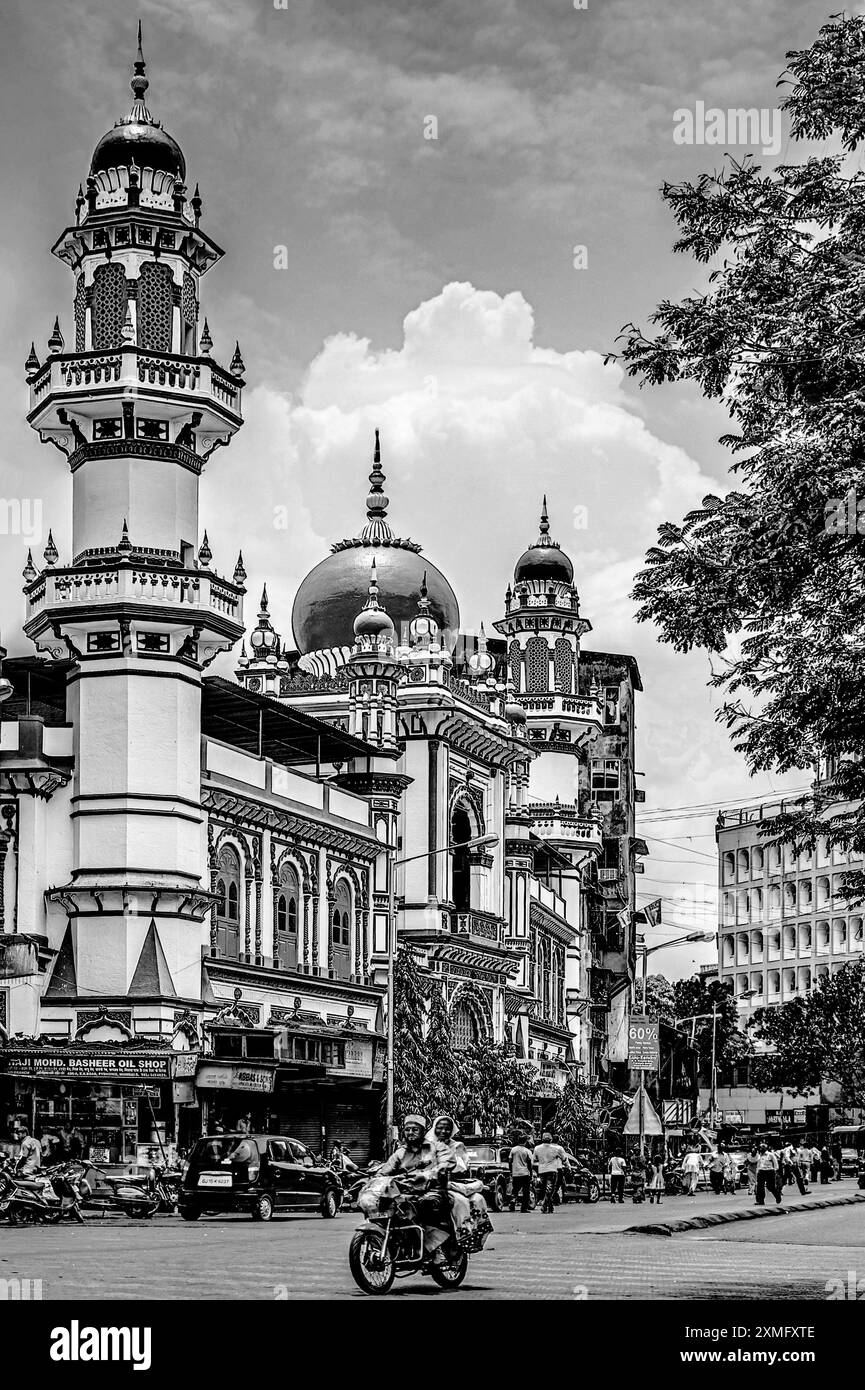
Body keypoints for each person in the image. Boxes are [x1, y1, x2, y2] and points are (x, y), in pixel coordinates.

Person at [533, 1131, 567, 1213]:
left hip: (541, 1170)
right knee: (550, 1189)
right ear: (550, 1140)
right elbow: (564, 1159)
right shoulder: (556, 1149)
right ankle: (545, 1204)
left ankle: (550, 1207)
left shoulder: (537, 1148)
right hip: (552, 1170)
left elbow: (534, 1159)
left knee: (544, 1188)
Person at [508, 1135, 534, 1213]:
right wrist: (531, 1173)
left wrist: (511, 1170)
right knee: (526, 1191)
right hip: (525, 1173)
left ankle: (512, 1201)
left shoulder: (513, 1150)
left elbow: (510, 1161)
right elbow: (529, 1163)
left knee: (515, 1189)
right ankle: (524, 1208)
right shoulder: (527, 1151)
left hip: (516, 1173)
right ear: (525, 1142)